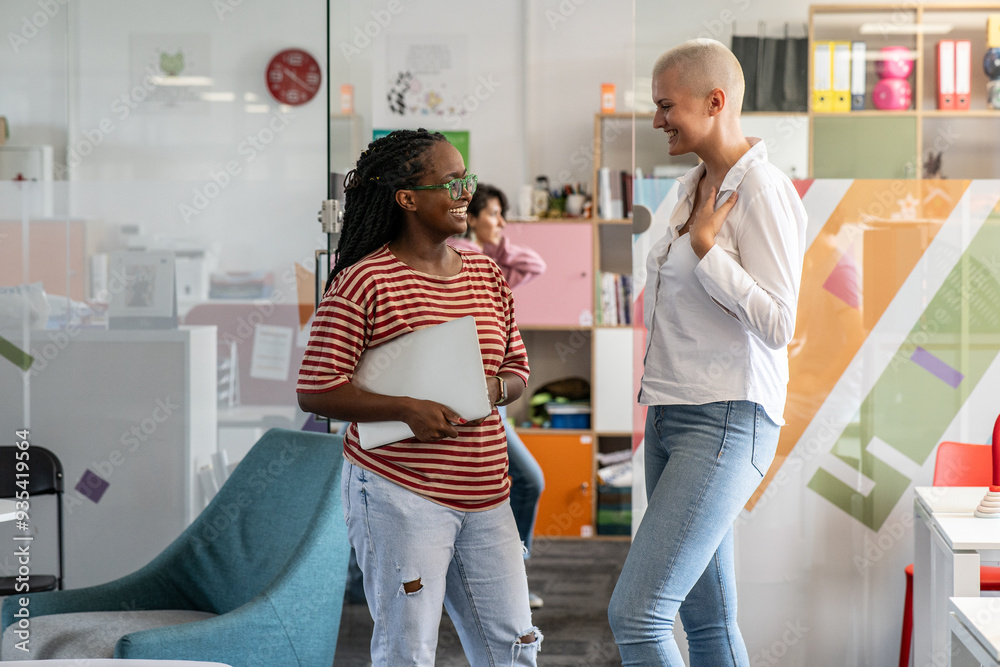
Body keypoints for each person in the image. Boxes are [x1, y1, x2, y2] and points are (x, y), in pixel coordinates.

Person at [297, 129, 541, 666]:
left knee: (515, 648)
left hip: (486, 492)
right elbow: (316, 388)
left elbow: (517, 367)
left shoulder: (485, 273)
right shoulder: (363, 281)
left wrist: (492, 389)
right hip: (399, 494)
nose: (466, 193)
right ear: (407, 198)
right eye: (452, 182)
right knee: (408, 652)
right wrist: (405, 408)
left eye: (467, 179)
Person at [607, 39, 807, 666]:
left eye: (666, 105)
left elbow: (778, 323)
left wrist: (706, 252)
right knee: (707, 618)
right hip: (672, 415)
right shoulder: (694, 186)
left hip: (725, 418)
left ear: (715, 102)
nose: (657, 119)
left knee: (636, 615)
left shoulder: (765, 191)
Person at [448, 184, 548, 608]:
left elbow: (534, 265)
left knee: (521, 482)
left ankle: (508, 574)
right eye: (493, 213)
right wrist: (479, 244)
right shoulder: (453, 256)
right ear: (469, 215)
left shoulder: (487, 266)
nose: (501, 222)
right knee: (526, 481)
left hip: (488, 398)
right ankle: (505, 578)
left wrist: (492, 243)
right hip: (462, 396)